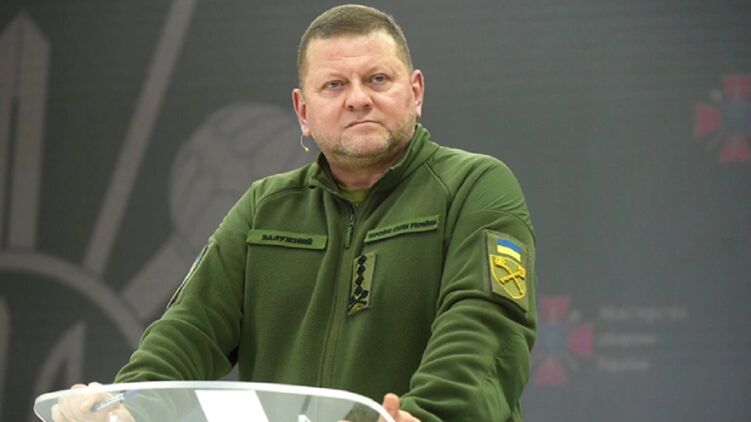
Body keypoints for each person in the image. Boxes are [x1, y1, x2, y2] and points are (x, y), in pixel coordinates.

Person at [53, 4, 537, 421]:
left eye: (378, 79)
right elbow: (189, 330)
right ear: (303, 111)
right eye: (334, 85)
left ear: (415, 91)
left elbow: (485, 326)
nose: (358, 99)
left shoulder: (474, 186)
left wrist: (426, 416)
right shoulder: (265, 207)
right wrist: (129, 405)